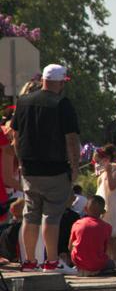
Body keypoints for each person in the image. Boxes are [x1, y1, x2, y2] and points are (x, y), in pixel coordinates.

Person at [12, 63, 80, 272]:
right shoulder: (62, 104)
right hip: (55, 168)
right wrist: (75, 167)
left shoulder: (23, 102)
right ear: (60, 82)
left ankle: (29, 261)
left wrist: (21, 161)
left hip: (30, 168)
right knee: (51, 216)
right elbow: (71, 139)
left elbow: (15, 135)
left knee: (30, 214)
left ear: (43, 80)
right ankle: (51, 261)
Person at [70, 195, 116, 276]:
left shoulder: (77, 224)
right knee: (111, 262)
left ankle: (79, 267)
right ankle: (112, 265)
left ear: (85, 209)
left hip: (78, 261)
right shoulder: (107, 227)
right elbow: (105, 248)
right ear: (103, 212)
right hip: (98, 263)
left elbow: (70, 247)